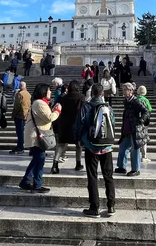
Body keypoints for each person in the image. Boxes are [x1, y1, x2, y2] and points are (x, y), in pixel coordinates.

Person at [76, 83, 116, 218]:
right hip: (107, 146)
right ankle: (111, 206)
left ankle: (95, 207)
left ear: (92, 93)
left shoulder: (86, 107)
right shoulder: (108, 108)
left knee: (92, 176)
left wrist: (79, 139)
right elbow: (113, 123)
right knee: (108, 176)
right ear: (102, 94)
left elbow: (80, 125)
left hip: (91, 146)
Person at [20, 83, 62, 193]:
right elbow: (49, 118)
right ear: (43, 91)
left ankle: (25, 181)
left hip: (37, 134)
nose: (50, 92)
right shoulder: (40, 103)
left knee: (36, 159)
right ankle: (37, 185)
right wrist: (57, 111)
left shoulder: (41, 103)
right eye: (48, 90)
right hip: (37, 136)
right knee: (40, 159)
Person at [115, 83, 149, 177]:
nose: (124, 91)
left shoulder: (136, 101)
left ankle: (135, 169)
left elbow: (146, 111)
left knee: (135, 149)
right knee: (123, 147)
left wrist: (141, 120)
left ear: (131, 91)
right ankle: (121, 167)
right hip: (127, 128)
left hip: (135, 129)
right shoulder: (126, 101)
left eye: (125, 90)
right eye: (123, 89)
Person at [51, 80, 85, 174]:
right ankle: (78, 163)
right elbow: (83, 111)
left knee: (61, 144)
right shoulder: (81, 97)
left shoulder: (64, 97)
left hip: (64, 124)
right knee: (78, 145)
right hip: (76, 124)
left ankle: (55, 165)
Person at [10, 81, 30, 154]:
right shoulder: (28, 94)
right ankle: (20, 146)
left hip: (19, 115)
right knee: (21, 132)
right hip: (25, 115)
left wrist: (13, 114)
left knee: (19, 132)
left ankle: (20, 147)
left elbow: (17, 105)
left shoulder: (20, 94)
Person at [136, 85, 152, 163]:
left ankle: (137, 155)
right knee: (144, 139)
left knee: (137, 139)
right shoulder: (145, 100)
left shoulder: (135, 99)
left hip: (136, 122)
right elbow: (149, 110)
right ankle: (144, 156)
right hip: (144, 122)